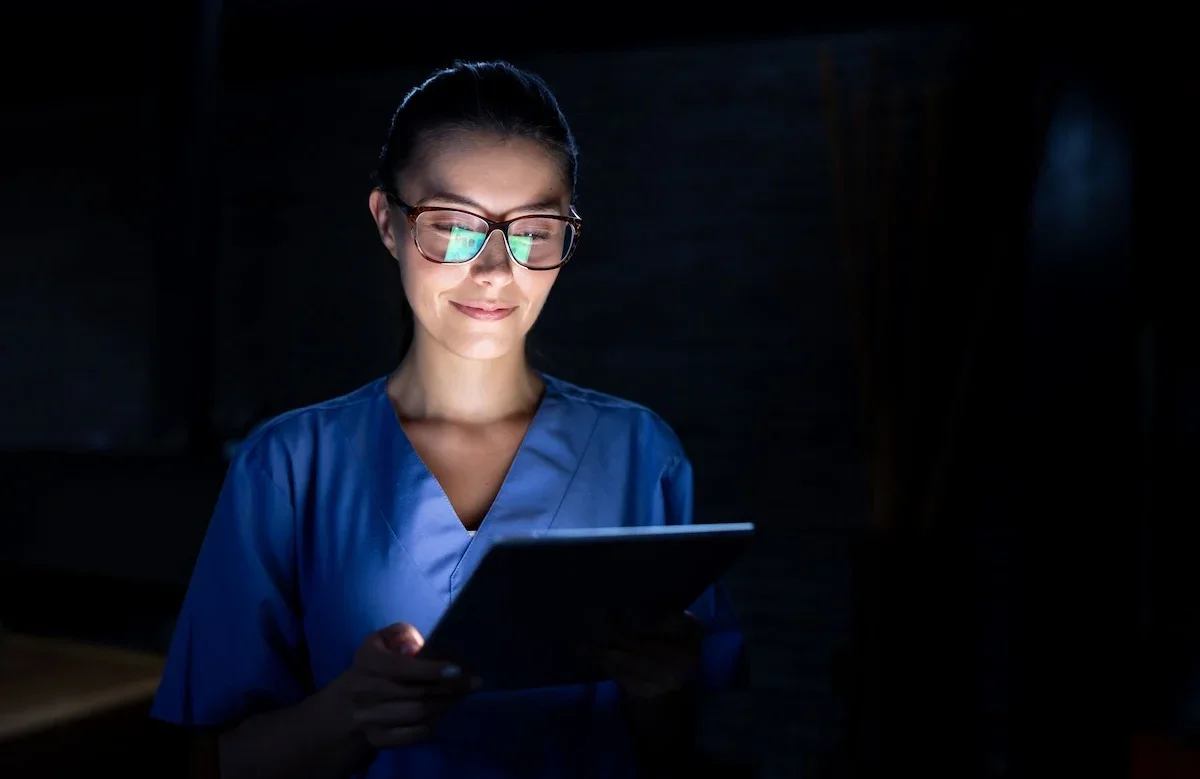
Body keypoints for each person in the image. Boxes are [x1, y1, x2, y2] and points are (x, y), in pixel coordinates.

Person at [151, 60, 745, 779]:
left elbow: (671, 749)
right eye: (454, 227)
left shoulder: (637, 452)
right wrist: (350, 713)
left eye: (534, 229)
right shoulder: (288, 465)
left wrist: (661, 688)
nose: (497, 268)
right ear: (388, 224)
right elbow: (212, 762)